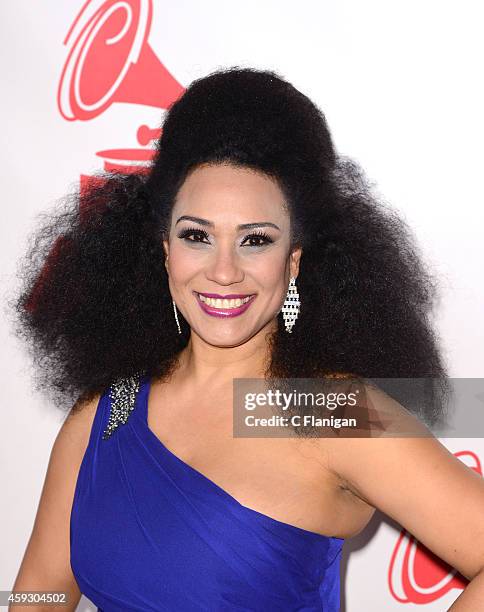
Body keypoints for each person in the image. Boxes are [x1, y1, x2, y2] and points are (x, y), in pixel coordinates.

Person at [9, 67, 484, 611]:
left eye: (255, 240)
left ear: (294, 261)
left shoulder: (329, 411)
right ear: (165, 249)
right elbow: (39, 593)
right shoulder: (107, 412)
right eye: (197, 236)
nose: (224, 271)